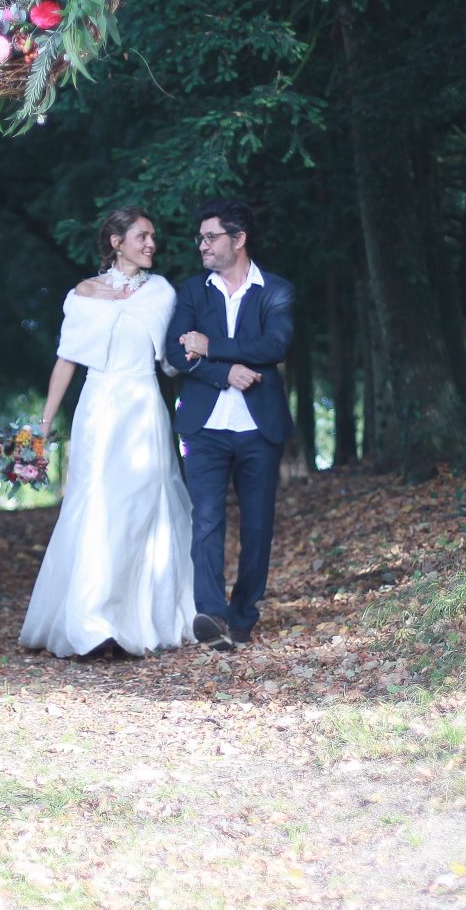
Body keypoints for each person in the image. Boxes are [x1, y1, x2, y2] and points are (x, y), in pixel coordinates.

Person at [18, 208, 196, 659]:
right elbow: (67, 359)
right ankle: (91, 623)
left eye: (153, 236)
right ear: (117, 242)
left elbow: (172, 361)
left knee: (142, 507)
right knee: (95, 503)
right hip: (98, 408)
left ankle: (141, 618)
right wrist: (44, 425)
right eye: (142, 236)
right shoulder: (83, 295)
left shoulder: (161, 293)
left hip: (143, 407)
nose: (152, 243)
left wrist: (196, 352)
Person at [165, 199, 294, 651]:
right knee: (206, 520)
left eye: (210, 237)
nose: (202, 245)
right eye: (200, 238)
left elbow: (274, 345)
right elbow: (178, 353)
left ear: (238, 239)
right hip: (204, 427)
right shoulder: (192, 292)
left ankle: (243, 617)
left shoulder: (275, 290)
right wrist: (226, 373)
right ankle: (212, 616)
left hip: (260, 428)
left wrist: (212, 346)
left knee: (258, 526)